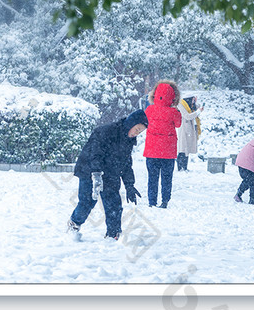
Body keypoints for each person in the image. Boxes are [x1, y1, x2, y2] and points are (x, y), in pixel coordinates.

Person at [67, 110, 147, 241]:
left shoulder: (129, 141)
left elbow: (126, 164)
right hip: (89, 170)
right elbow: (95, 153)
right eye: (137, 129)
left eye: (140, 132)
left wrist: (129, 185)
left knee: (114, 203)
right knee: (87, 202)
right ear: (131, 123)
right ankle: (74, 224)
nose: (136, 133)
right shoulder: (106, 131)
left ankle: (113, 234)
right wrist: (96, 174)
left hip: (110, 173)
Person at [143, 81, 182, 207]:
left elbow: (145, 122)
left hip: (151, 150)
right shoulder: (173, 112)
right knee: (167, 178)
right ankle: (165, 201)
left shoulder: (149, 110)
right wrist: (176, 110)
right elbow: (178, 124)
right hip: (168, 152)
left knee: (152, 178)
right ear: (173, 96)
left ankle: (151, 201)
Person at [175, 94, 203, 171]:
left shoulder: (189, 105)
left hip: (190, 129)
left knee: (187, 149)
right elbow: (187, 116)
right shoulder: (181, 105)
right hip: (184, 128)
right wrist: (198, 112)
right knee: (182, 149)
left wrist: (197, 106)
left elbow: (195, 108)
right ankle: (180, 167)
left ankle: (185, 167)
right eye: (193, 99)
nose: (194, 101)